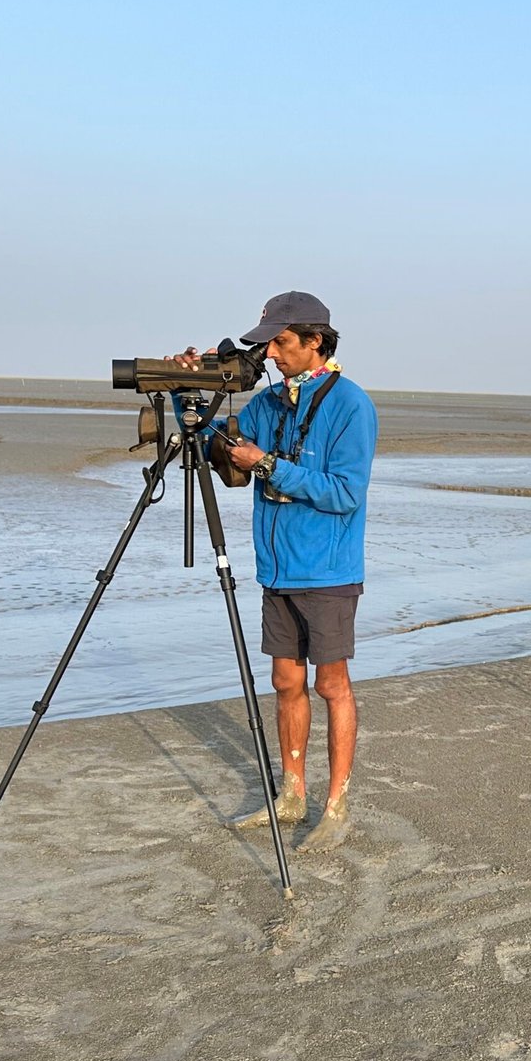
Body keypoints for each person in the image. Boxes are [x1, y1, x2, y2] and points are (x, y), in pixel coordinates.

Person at [172, 292, 378, 849]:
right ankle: (291, 795)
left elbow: (345, 493)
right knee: (286, 682)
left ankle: (336, 806)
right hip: (277, 569)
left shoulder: (351, 404)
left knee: (331, 684)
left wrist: (266, 464)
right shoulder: (266, 402)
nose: (271, 354)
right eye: (266, 345)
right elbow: (218, 450)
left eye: (281, 342)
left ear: (316, 341)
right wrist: (187, 391)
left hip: (328, 571)